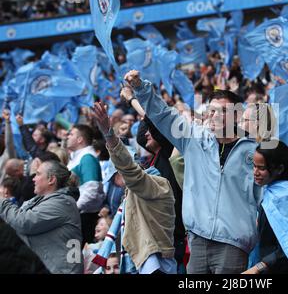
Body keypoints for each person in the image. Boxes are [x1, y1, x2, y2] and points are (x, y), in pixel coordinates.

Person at [125, 69, 260, 274]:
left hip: (234, 242)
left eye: (221, 112)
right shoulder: (193, 139)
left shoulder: (254, 152)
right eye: (211, 111)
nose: (214, 116)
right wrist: (140, 88)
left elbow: (262, 196)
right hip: (197, 239)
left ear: (237, 115)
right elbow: (163, 115)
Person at [91, 101, 176, 274]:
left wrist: (109, 134)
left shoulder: (158, 184)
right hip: (143, 262)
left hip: (156, 266)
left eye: (116, 176)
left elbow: (130, 170)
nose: (114, 183)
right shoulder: (134, 191)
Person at [243, 140, 288, 274]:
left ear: (279, 169)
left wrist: (257, 268)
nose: (255, 172)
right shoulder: (272, 193)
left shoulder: (287, 198)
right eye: (254, 166)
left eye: (262, 168)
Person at [0, 160, 83, 274]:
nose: (33, 178)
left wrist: (2, 202)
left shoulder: (62, 203)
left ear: (51, 180)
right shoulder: (41, 200)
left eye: (38, 174)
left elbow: (22, 222)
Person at [66, 124, 105, 245]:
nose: (68, 137)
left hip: (84, 218)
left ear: (80, 139)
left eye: (71, 134)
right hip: (78, 216)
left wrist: (74, 209)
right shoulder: (78, 157)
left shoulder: (87, 158)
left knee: (74, 256)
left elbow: (91, 189)